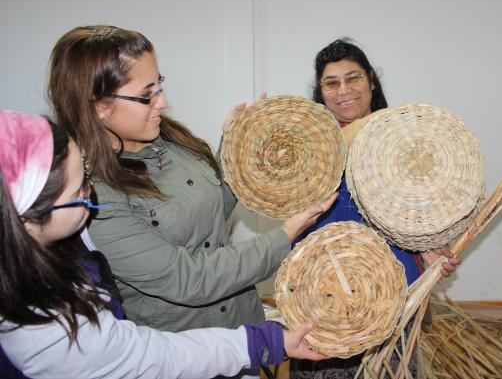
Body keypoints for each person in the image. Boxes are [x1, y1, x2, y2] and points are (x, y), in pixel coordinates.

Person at [46, 25, 336, 341]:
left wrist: (239, 148)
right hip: (186, 352)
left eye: (159, 85)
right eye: (147, 95)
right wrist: (286, 234)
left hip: (241, 329)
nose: (162, 101)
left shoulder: (170, 139)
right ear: (98, 106)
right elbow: (187, 278)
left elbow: (210, 215)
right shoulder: (93, 196)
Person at [0, 110, 328, 379]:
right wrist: (266, 340)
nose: (91, 192)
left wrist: (236, 154)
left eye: (85, 173)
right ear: (25, 221)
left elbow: (203, 217)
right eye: (78, 193)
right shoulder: (48, 332)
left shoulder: (56, 238)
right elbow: (160, 355)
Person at [290, 38, 461, 379]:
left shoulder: (403, 142)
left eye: (352, 78)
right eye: (331, 83)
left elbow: (419, 213)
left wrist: (428, 250)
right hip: (325, 293)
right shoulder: (308, 146)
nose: (344, 91)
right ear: (321, 92)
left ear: (370, 80)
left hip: (394, 292)